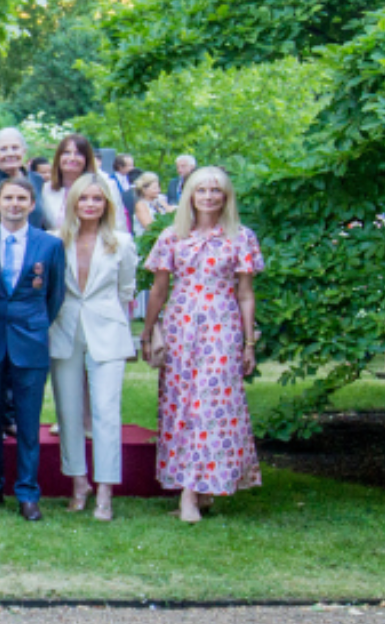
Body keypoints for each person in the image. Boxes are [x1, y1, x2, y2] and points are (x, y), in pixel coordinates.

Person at [145, 166, 262, 523]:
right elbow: (159, 289)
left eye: (216, 190)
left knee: (213, 405)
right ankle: (193, 489)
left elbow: (245, 293)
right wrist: (148, 332)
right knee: (182, 404)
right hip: (181, 325)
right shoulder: (172, 236)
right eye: (201, 190)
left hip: (221, 325)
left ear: (226, 196)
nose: (209, 197)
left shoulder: (240, 237)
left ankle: (196, 490)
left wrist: (247, 343)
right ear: (190, 195)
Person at [0, 176, 66, 520]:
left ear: (31, 204)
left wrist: (34, 322)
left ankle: (27, 492)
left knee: (28, 421)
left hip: (30, 339)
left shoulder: (49, 245)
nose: (14, 204)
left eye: (21, 199)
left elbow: (55, 295)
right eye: (8, 198)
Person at [51, 174, 136, 521]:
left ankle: (105, 490)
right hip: (65, 329)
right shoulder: (57, 240)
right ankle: (79, 483)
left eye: (97, 199)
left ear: (107, 205)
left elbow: (127, 290)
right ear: (73, 203)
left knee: (105, 412)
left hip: (108, 330)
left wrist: (121, 325)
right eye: (83, 198)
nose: (90, 205)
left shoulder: (121, 241)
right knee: (68, 412)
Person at [0, 128, 45, 230]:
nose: (10, 153)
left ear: (24, 151)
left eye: (15, 148)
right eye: (3, 149)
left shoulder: (37, 180)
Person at [39, 134, 101, 232]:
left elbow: (117, 225)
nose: (72, 158)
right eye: (66, 153)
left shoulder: (102, 187)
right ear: (58, 157)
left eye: (79, 154)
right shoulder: (45, 189)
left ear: (87, 159)